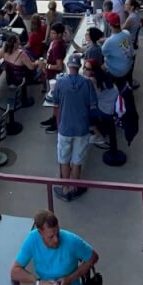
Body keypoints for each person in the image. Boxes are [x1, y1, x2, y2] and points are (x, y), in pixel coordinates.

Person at [9, 210, 99, 285]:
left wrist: (70, 279)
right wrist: (37, 282)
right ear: (40, 233)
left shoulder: (72, 241)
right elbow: (14, 272)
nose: (56, 240)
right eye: (51, 237)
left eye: (58, 233)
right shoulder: (32, 239)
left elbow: (93, 257)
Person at [51, 55, 96, 200]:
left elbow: (55, 104)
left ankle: (65, 189)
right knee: (77, 160)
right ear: (80, 66)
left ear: (68, 66)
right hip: (82, 128)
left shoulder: (60, 82)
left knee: (64, 159)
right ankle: (75, 188)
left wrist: (58, 123)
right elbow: (92, 106)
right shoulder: (87, 83)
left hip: (65, 127)